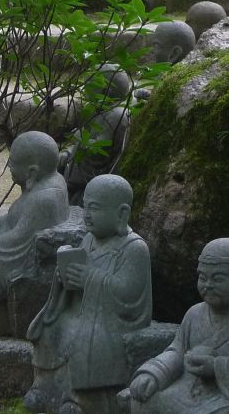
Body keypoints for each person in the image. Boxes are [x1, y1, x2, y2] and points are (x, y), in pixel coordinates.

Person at [26, 174, 151, 414]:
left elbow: (130, 294)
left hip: (113, 320)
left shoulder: (134, 248)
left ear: (121, 214)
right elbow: (78, 283)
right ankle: (44, 387)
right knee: (50, 324)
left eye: (94, 208)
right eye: (85, 206)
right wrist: (65, 278)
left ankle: (80, 400)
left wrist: (90, 279)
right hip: (83, 310)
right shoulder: (89, 240)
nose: (87, 214)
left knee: (82, 336)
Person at [129, 238, 229, 414]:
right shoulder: (194, 314)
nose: (208, 285)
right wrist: (153, 374)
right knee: (142, 400)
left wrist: (217, 366)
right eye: (202, 278)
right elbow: (176, 352)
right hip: (187, 389)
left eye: (218, 279)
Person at [0, 131, 70, 337]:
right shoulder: (43, 182)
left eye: (12, 164)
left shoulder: (45, 198)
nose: (9, 167)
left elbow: (21, 239)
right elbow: (19, 214)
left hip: (25, 258)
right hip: (17, 243)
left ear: (31, 172)